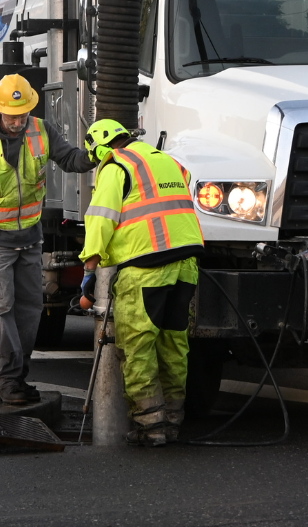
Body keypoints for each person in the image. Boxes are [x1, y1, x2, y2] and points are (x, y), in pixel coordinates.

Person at [0, 74, 91, 405]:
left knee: (30, 312)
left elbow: (70, 159)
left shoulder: (41, 131)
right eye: (12, 115)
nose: (17, 121)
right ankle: (8, 380)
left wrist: (96, 155)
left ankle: (19, 376)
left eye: (23, 114)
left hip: (30, 241)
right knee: (1, 311)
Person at [77, 118, 204, 446]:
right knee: (174, 344)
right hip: (186, 263)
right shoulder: (167, 160)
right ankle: (173, 422)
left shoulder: (116, 166)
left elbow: (101, 217)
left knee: (138, 347)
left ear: (100, 148)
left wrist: (90, 265)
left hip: (146, 266)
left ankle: (152, 427)